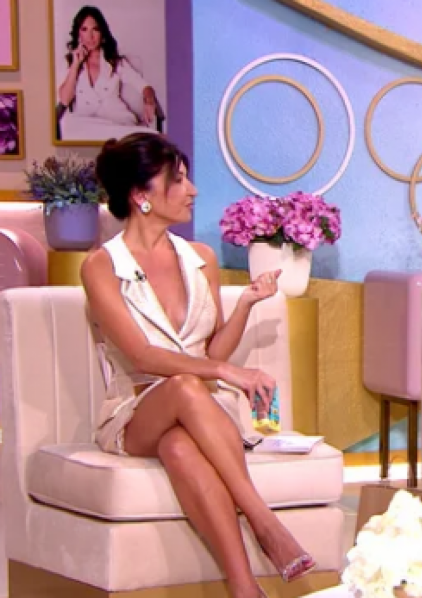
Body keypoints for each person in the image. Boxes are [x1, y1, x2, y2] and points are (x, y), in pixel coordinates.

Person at [80, 133, 314, 598]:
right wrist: (227, 374)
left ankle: (244, 587)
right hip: (136, 412)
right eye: (178, 180)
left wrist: (245, 304)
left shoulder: (200, 259)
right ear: (141, 195)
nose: (193, 190)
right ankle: (264, 521)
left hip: (196, 411)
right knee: (186, 385)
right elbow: (143, 356)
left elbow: (212, 353)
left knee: (180, 447)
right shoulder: (101, 266)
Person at [57, 6, 162, 141]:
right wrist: (76, 65)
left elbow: (144, 87)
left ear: (102, 34)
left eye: (95, 29)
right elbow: (65, 100)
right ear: (78, 34)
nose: (90, 36)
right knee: (69, 125)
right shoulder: (70, 62)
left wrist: (149, 100)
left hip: (117, 122)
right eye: (84, 29)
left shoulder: (115, 62)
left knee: (147, 138)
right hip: (86, 125)